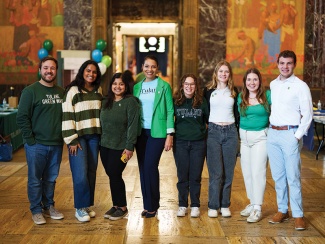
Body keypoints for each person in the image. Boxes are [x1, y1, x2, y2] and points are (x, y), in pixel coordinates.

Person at [267, 50, 312, 231]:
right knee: (278, 177)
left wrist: (297, 136)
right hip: (273, 134)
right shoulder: (273, 84)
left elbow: (307, 114)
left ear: (294, 65)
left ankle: (298, 215)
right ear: (277, 64)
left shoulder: (301, 86)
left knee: (293, 176)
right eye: (282, 63)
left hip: (290, 134)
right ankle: (282, 210)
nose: (285, 66)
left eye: (289, 63)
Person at [16, 57, 64, 225]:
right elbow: (22, 117)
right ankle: (36, 210)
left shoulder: (61, 92)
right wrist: (30, 140)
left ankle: (49, 206)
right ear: (40, 70)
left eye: (52, 68)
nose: (49, 71)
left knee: (51, 179)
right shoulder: (30, 91)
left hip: (56, 144)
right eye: (45, 68)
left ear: (56, 71)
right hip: (37, 145)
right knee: (35, 179)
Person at [133, 55, 174, 218]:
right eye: (147, 66)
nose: (150, 69)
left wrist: (170, 134)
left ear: (157, 69)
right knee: (143, 168)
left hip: (157, 132)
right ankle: (147, 205)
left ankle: (154, 205)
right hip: (140, 132)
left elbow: (170, 110)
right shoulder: (136, 87)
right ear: (142, 67)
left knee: (150, 166)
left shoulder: (164, 86)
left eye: (153, 66)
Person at [62, 60, 103, 222]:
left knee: (91, 172)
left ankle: (86, 205)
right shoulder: (72, 91)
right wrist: (71, 139)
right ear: (82, 72)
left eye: (94, 72)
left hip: (94, 136)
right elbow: (67, 115)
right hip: (77, 138)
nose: (91, 74)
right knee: (80, 173)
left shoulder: (99, 90)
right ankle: (79, 208)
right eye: (88, 71)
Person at [100, 72, 140, 221]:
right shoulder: (106, 101)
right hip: (104, 145)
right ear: (111, 85)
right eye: (115, 84)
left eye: (121, 84)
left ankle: (122, 207)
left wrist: (130, 146)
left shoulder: (131, 102)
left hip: (122, 147)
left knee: (115, 173)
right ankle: (116, 205)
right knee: (111, 174)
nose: (118, 87)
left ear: (126, 86)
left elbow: (132, 126)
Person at [204, 60, 239, 218]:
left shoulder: (234, 90)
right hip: (213, 132)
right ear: (216, 73)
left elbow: (238, 113)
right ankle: (213, 205)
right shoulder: (208, 90)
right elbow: (204, 111)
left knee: (228, 172)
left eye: (226, 71)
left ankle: (225, 204)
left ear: (229, 74)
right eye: (221, 71)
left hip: (231, 132)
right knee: (216, 172)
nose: (224, 74)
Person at [173, 73, 209, 218]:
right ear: (182, 86)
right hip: (180, 142)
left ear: (196, 86)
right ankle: (182, 205)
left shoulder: (202, 101)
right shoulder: (176, 101)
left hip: (198, 143)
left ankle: (195, 205)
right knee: (182, 175)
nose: (189, 87)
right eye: (186, 84)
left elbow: (208, 120)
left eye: (192, 84)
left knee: (195, 176)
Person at [237, 68, 271, 223]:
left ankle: (257, 207)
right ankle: (252, 202)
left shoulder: (268, 96)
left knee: (258, 172)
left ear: (260, 81)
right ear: (245, 82)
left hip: (260, 138)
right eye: (249, 79)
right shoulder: (240, 97)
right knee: (247, 173)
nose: (252, 82)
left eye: (255, 79)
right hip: (244, 140)